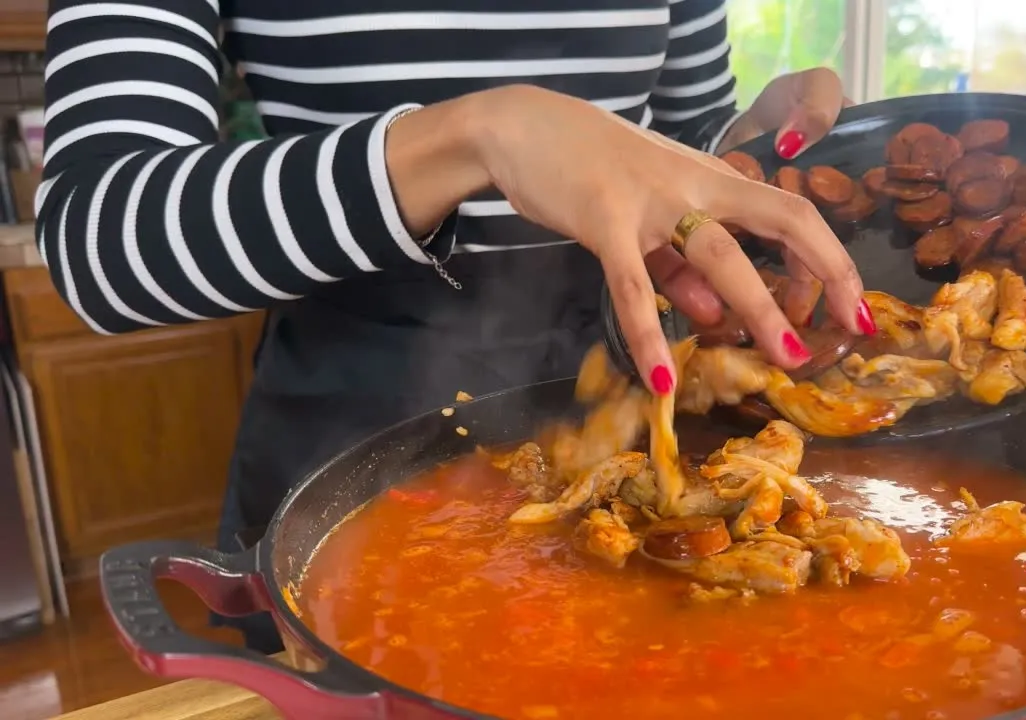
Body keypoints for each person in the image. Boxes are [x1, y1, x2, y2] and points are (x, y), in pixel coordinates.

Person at [39, 0, 875, 651]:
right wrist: (476, 134)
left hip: (625, 415)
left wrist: (743, 145)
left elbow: (665, 148)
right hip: (351, 437)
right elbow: (98, 241)